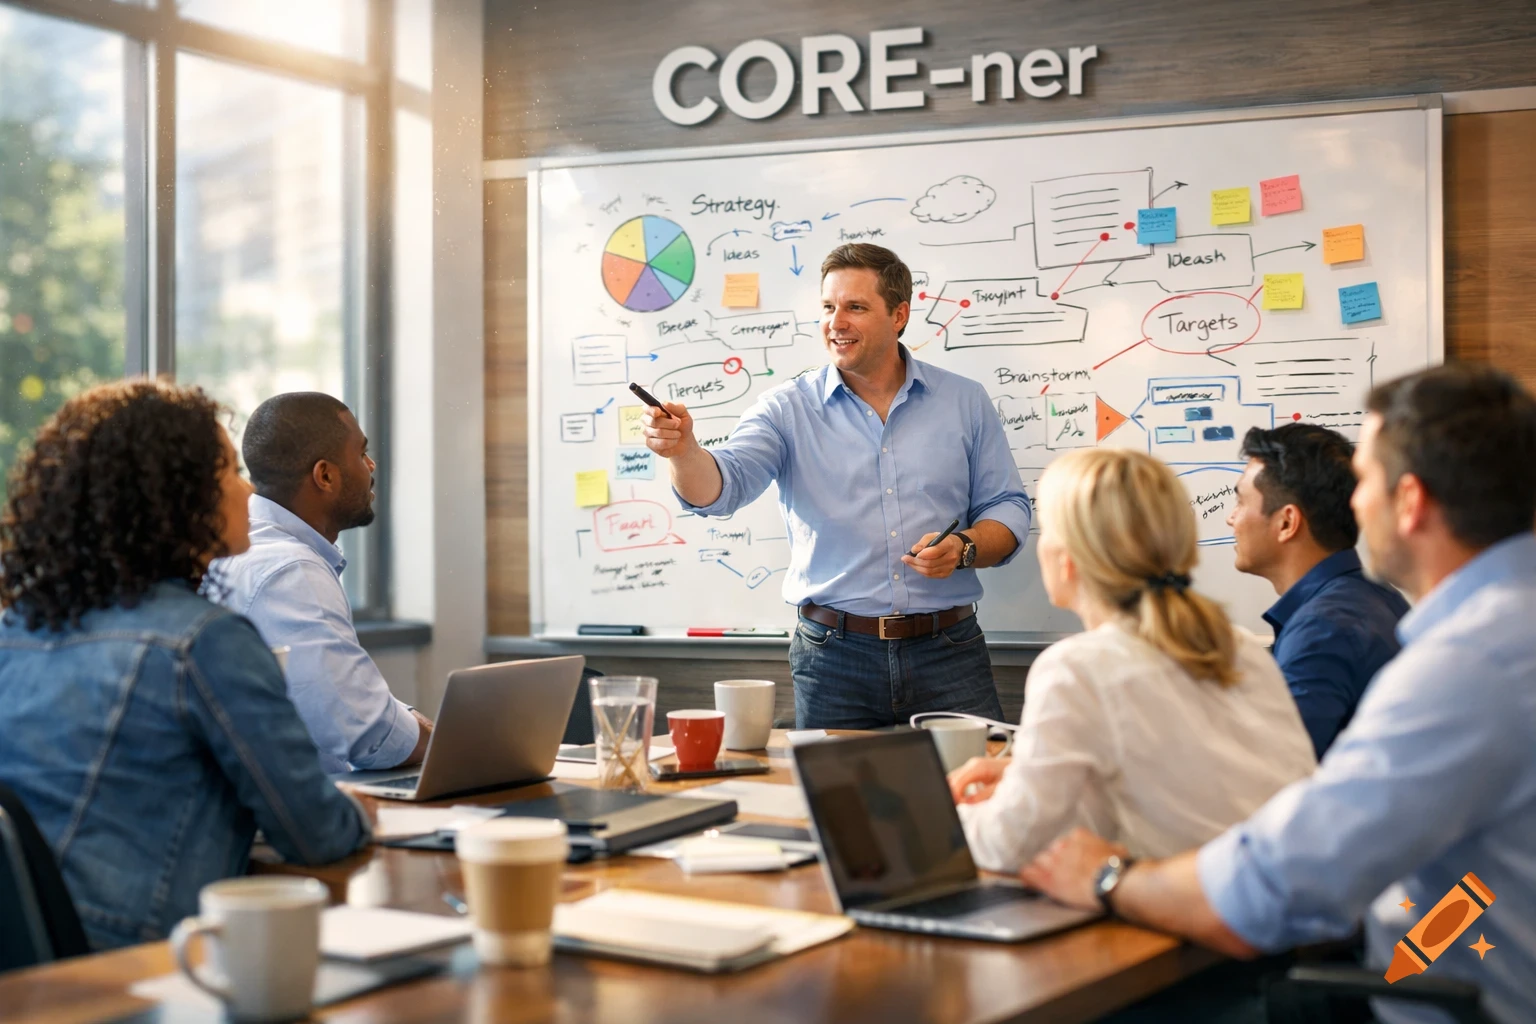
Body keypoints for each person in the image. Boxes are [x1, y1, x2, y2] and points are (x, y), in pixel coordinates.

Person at [1019, 364, 1536, 1024]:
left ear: (1410, 503)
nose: (1353, 505)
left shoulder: (1468, 666)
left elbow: (1268, 894)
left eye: (1367, 482)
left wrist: (1108, 876)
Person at [0, 381, 369, 950]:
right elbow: (315, 834)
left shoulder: (18, 627)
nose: (248, 490)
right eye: (228, 473)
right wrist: (360, 808)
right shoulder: (204, 641)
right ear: (173, 498)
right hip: (137, 966)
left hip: (33, 965)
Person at [643, 243, 1032, 728]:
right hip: (834, 660)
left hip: (949, 651)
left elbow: (1010, 508)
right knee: (840, 804)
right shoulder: (786, 408)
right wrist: (683, 451)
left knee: (975, 797)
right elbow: (722, 489)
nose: (836, 322)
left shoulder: (965, 401)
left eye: (855, 307)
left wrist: (964, 547)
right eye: (828, 307)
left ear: (899, 315)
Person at [949, 448, 1316, 872]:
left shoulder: (1076, 669)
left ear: (1068, 559)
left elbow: (1006, 845)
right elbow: (1166, 780)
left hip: (1190, 919)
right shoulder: (1238, 647)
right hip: (1285, 906)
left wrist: (939, 812)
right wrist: (1022, 775)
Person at [212, 393, 431, 775]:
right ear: (325, 476)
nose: (371, 465)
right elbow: (367, 735)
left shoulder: (260, 551)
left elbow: (347, 699)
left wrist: (413, 722)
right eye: (361, 454)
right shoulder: (289, 570)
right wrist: (458, 746)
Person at [1227, 423, 1409, 756]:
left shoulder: (1323, 627)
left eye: (1240, 502)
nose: (1231, 518)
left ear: (1286, 523)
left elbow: (1280, 769)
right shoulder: (1376, 597)